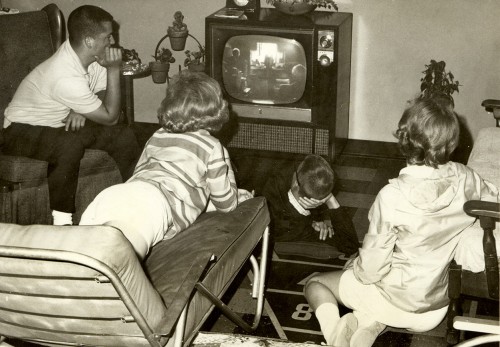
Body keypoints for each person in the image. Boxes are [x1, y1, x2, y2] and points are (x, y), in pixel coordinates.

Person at [303, 97, 499, 347]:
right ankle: (367, 328)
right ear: (451, 143)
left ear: (404, 139)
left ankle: (333, 337)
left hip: (394, 300)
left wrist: (355, 267)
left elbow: (371, 270)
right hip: (435, 309)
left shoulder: (392, 196)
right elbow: (492, 197)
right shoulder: (466, 177)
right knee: (371, 303)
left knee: (316, 282)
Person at [80, 71, 254, 260]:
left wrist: (207, 204)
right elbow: (226, 205)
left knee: (79, 264)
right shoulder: (211, 146)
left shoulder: (158, 135)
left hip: (114, 195)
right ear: (218, 109)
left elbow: (146, 175)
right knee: (121, 269)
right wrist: (234, 193)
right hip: (152, 204)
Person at [1, 5, 141, 225]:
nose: (112, 42)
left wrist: (80, 109)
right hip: (18, 130)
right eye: (107, 37)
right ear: (89, 42)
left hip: (58, 122)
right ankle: (62, 221)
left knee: (122, 135)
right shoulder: (64, 74)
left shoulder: (93, 57)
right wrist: (114, 70)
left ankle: (135, 198)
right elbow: (111, 115)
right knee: (69, 144)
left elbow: (106, 98)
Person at [261, 154, 359, 258]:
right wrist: (331, 200)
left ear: (295, 183)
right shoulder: (301, 228)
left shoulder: (278, 179)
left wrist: (313, 220)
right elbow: (350, 245)